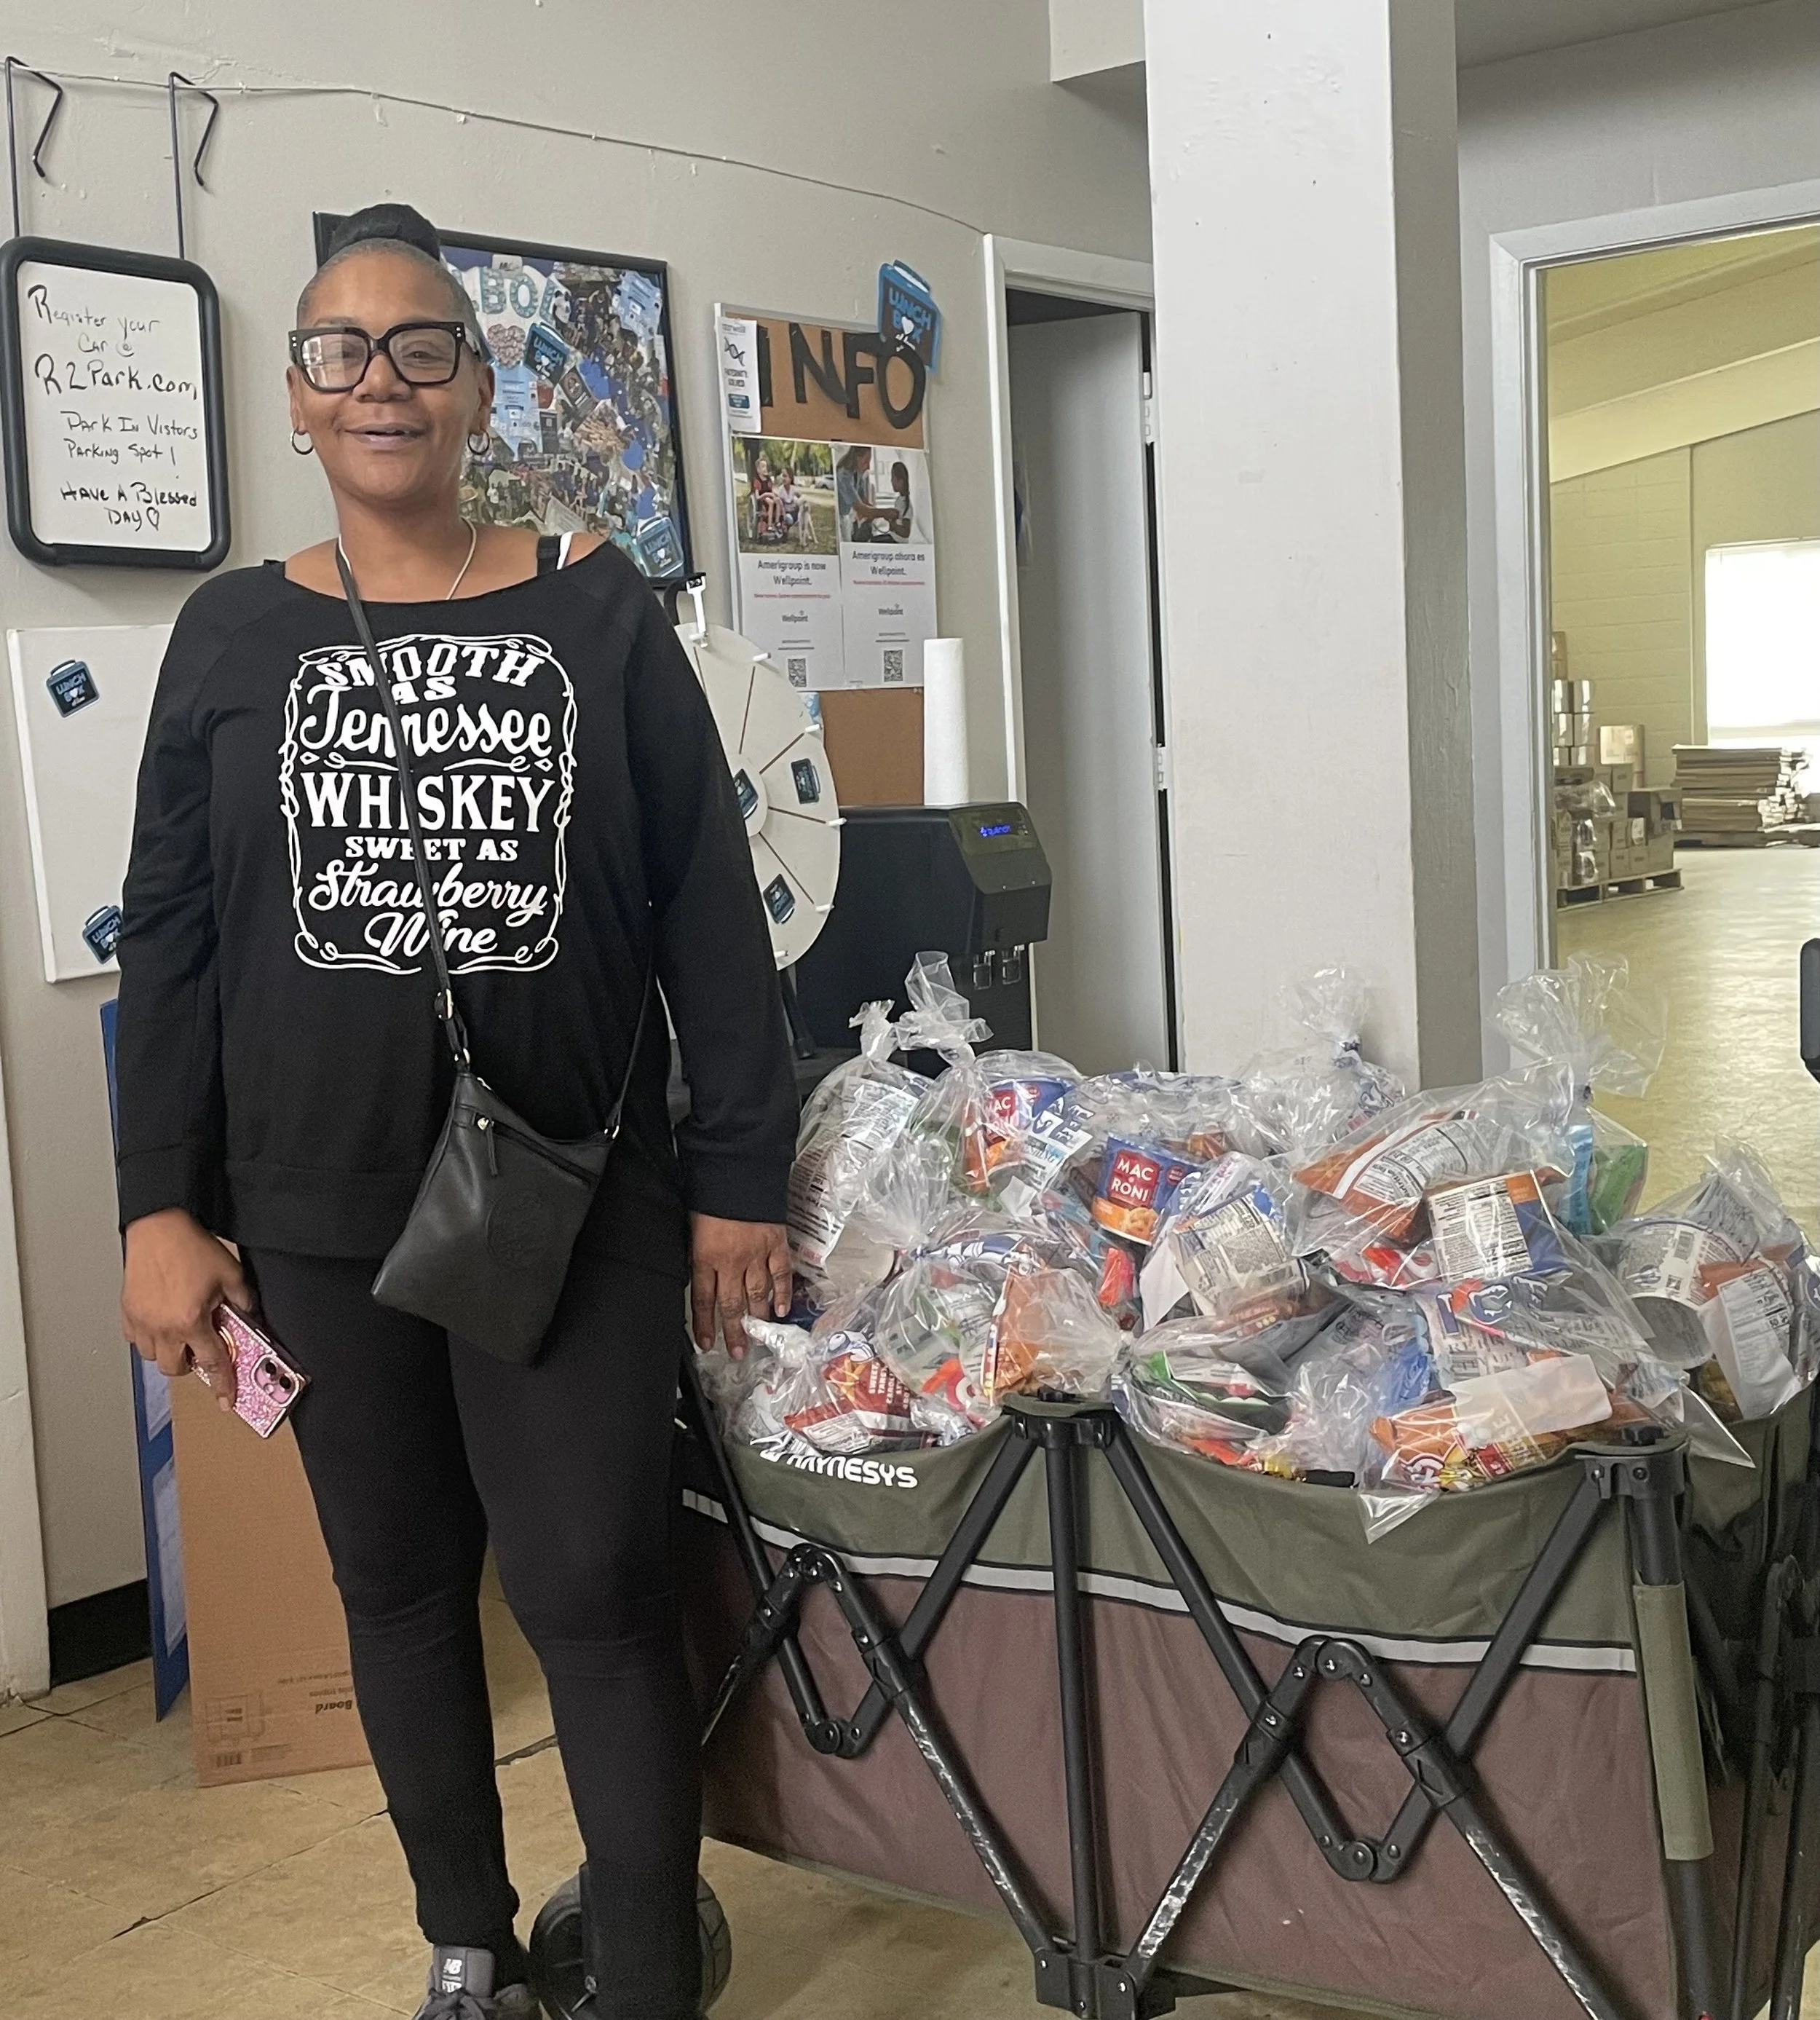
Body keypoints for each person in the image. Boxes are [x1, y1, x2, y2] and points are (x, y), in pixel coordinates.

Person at [113, 203, 797, 2020]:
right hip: (319, 1204)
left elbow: (707, 909)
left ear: (481, 388)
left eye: (423, 347)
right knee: (401, 1587)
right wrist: (153, 1206)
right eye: (342, 350)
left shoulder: (593, 611)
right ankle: (468, 1949)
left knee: (591, 1584)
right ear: (295, 399)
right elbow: (169, 932)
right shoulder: (226, 634)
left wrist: (738, 1173)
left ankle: (644, 1971)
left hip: (573, 1193)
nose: (382, 380)